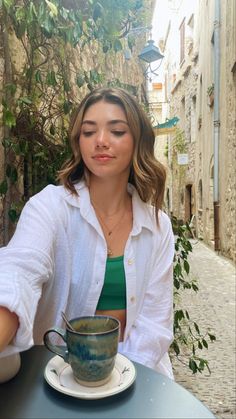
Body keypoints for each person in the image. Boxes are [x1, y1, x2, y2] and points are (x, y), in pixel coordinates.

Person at [0, 87, 174, 379]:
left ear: (137, 141)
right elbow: (19, 270)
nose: (101, 141)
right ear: (78, 141)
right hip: (57, 378)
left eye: (117, 131)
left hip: (139, 378)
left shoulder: (158, 226)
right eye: (89, 132)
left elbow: (154, 326)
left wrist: (115, 380)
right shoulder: (49, 208)